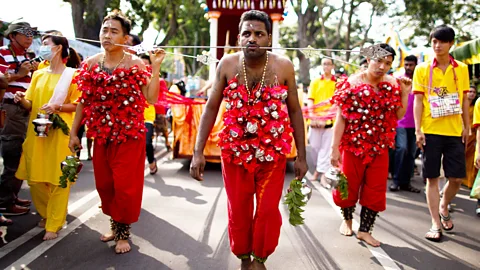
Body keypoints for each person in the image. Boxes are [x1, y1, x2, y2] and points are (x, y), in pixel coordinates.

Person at [189, 10, 307, 270]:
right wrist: (198, 152)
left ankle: (260, 258)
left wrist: (301, 156)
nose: (252, 38)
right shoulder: (227, 64)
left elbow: (295, 110)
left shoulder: (283, 66)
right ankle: (244, 257)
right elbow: (211, 107)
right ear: (239, 38)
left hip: (272, 155)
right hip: (234, 154)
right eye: (246, 33)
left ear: (269, 38)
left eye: (258, 34)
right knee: (239, 212)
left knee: (266, 211)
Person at [68, 10, 166, 254]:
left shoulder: (134, 64)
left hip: (129, 137)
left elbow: (151, 99)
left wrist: (155, 68)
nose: (107, 35)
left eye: (114, 31)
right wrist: (73, 134)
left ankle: (123, 233)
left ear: (125, 38)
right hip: (101, 136)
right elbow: (83, 101)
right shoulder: (91, 64)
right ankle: (115, 223)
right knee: (105, 185)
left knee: (125, 186)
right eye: (105, 30)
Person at [330, 43, 410, 247]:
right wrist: (334, 149)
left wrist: (405, 93)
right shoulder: (352, 83)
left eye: (387, 63)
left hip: (379, 146)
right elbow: (341, 119)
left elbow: (399, 115)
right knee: (348, 186)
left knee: (375, 189)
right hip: (352, 146)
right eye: (378, 61)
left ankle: (365, 230)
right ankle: (347, 220)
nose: (382, 67)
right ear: (367, 60)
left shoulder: (392, 83)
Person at [14, 33, 82, 240]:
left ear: (59, 48)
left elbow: (79, 104)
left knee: (58, 179)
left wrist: (57, 106)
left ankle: (54, 223)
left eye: (46, 44)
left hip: (61, 133)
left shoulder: (73, 75)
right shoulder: (38, 75)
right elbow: (30, 103)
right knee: (35, 180)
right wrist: (20, 100)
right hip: (37, 134)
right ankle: (47, 214)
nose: (42, 47)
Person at [413, 25, 470, 242]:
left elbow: (465, 100)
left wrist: (466, 126)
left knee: (456, 178)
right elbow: (418, 101)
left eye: (441, 42)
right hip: (430, 131)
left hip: (455, 131)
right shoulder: (422, 69)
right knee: (432, 177)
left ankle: (444, 205)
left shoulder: (461, 69)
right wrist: (418, 130)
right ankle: (435, 223)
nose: (437, 46)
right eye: (434, 41)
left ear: (451, 44)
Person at [0, 22, 38, 216]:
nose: (30, 38)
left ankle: (12, 196)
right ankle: (4, 202)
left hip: (25, 109)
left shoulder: (27, 56)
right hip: (11, 109)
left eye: (32, 34)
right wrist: (20, 74)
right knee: (12, 155)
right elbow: (1, 80)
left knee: (21, 156)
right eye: (25, 34)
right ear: (12, 36)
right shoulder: (2, 53)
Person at [390, 55, 421, 193]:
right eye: (406, 65)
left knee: (411, 153)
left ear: (416, 65)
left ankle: (406, 183)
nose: (408, 67)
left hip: (416, 123)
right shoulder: (399, 79)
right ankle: (395, 181)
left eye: (411, 65)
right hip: (400, 121)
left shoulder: (420, 79)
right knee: (401, 149)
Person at [307, 58, 336, 186]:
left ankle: (322, 174)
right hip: (315, 120)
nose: (326, 66)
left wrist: (325, 118)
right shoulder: (315, 82)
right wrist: (313, 117)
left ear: (332, 66)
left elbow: (336, 103)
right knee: (314, 147)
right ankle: (319, 169)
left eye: (328, 64)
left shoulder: (337, 83)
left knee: (326, 148)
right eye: (324, 64)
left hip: (330, 120)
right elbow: (310, 100)